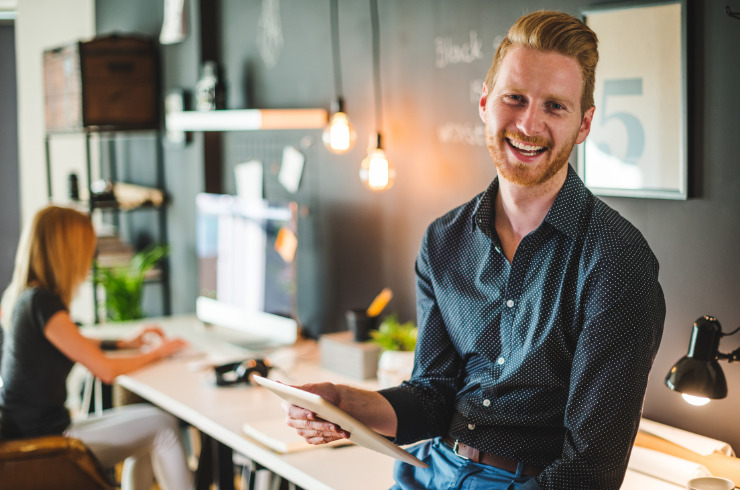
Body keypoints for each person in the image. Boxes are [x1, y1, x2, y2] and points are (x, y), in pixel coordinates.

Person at [283, 10, 665, 490]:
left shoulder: (616, 261)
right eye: (515, 98)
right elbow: (434, 395)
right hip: (426, 469)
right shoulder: (443, 239)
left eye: (555, 107)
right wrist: (347, 404)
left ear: (584, 124)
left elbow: (590, 470)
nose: (529, 124)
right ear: (485, 103)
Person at [0, 205, 194, 490]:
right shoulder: (44, 303)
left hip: (31, 430)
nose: (90, 258)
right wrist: (157, 353)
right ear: (67, 252)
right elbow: (105, 370)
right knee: (162, 426)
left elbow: (74, 341)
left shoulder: (26, 297)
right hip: (46, 440)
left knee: (147, 429)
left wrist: (123, 343)